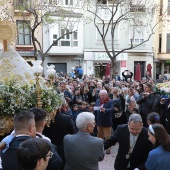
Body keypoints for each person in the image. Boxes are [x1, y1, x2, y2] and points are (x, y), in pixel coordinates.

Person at [94, 89, 114, 154]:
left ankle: (108, 148)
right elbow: (95, 110)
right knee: (99, 136)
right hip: (99, 121)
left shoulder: (110, 101)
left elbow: (112, 109)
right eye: (100, 95)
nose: (101, 97)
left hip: (107, 121)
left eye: (103, 95)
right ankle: (100, 148)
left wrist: (105, 110)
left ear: (106, 95)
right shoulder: (97, 101)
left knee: (107, 136)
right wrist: (95, 119)